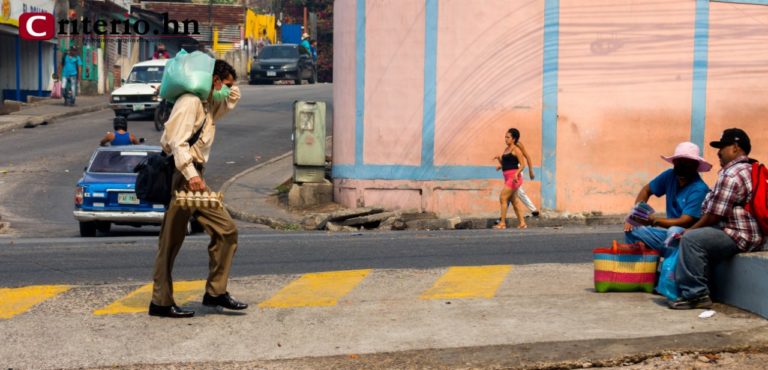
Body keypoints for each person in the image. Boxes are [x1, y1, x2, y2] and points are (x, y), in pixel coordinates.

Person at [148, 59, 245, 318]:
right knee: (221, 230)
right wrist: (191, 176)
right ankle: (178, 299)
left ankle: (201, 295)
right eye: (224, 84)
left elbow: (234, 97)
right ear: (214, 81)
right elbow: (176, 142)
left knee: (179, 239)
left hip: (192, 177)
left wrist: (217, 79)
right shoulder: (190, 102)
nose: (228, 90)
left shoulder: (207, 103)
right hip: (185, 177)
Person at [669, 128, 764, 309]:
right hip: (752, 234)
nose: (718, 152)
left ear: (736, 148)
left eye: (722, 147)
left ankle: (696, 294)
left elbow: (714, 214)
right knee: (697, 237)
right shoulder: (750, 168)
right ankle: (703, 287)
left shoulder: (732, 174)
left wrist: (691, 230)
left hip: (739, 234)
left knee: (691, 240)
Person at [624, 142, 712, 257]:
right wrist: (637, 214)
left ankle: (670, 268)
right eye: (679, 161)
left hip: (687, 235)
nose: (682, 165)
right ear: (674, 162)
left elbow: (685, 221)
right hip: (669, 231)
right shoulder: (669, 176)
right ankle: (645, 270)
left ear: (695, 165)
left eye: (686, 162)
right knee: (632, 230)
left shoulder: (699, 189)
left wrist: (652, 220)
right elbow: (646, 190)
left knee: (673, 232)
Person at [494, 128, 528, 229]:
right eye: (505, 137)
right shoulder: (506, 149)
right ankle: (522, 223)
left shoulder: (516, 150)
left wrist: (517, 173)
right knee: (514, 201)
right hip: (508, 177)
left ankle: (502, 223)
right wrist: (500, 162)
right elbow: (506, 165)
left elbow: (522, 165)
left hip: (514, 179)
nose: (506, 139)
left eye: (508, 137)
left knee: (503, 197)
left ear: (514, 139)